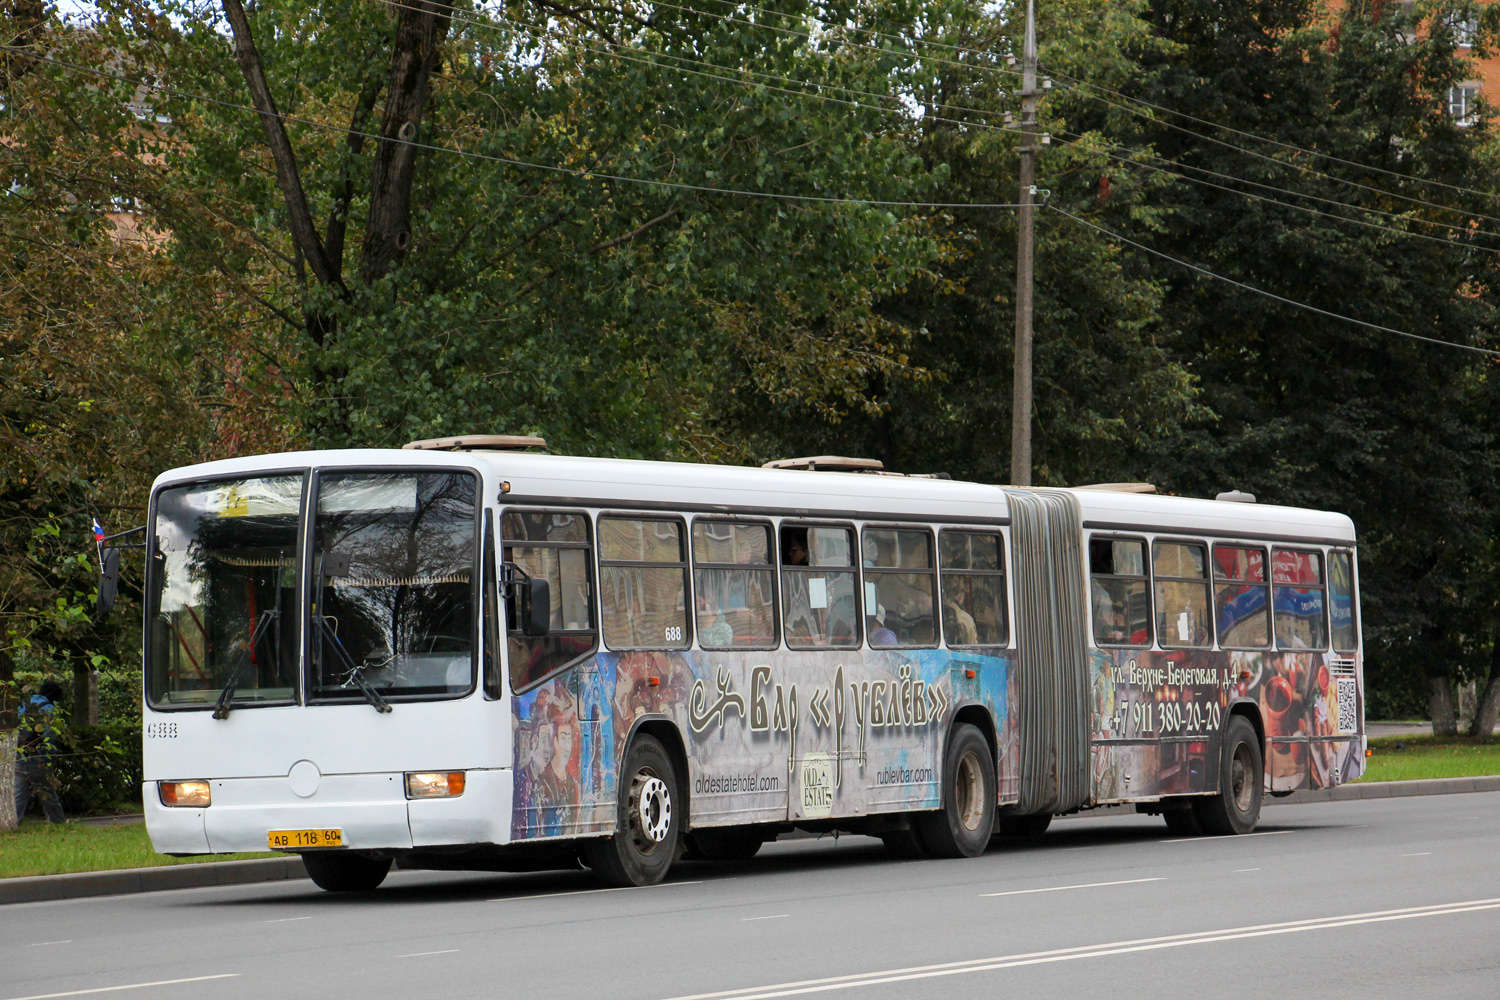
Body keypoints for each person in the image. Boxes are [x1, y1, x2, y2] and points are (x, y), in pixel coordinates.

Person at [14, 680, 66, 824]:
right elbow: (50, 735)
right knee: (47, 792)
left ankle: (11, 823)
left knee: (19, 793)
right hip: (39, 759)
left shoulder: (24, 705)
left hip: (20, 756)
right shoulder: (49, 710)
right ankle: (58, 822)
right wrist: (51, 754)